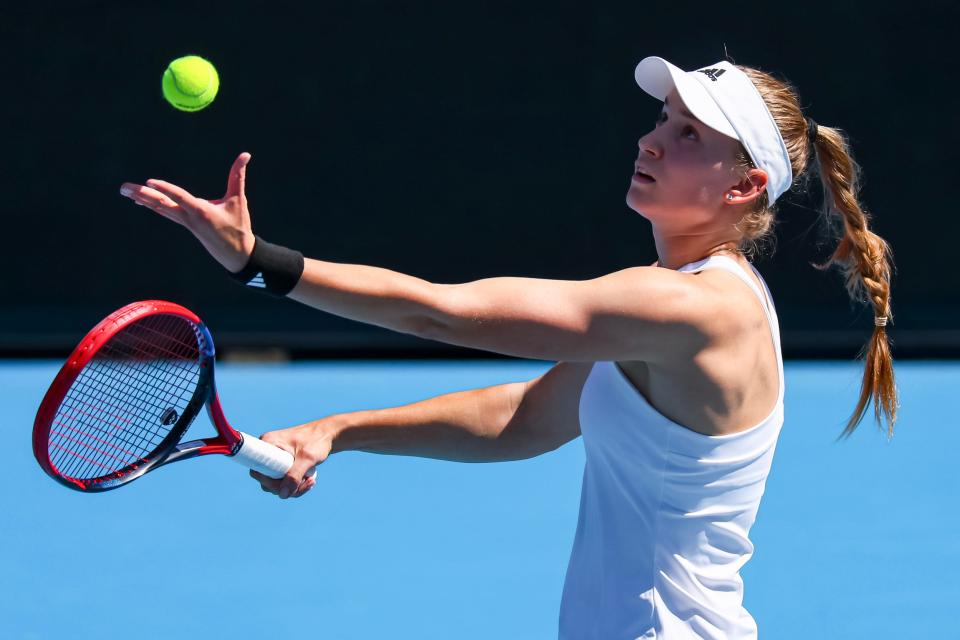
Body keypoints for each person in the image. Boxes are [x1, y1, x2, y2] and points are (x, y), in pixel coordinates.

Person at [120, 55, 898, 638]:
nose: (653, 140)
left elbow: (445, 316)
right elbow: (531, 415)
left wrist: (263, 266)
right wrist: (341, 430)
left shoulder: (696, 309)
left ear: (743, 187)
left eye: (688, 133)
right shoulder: (686, 306)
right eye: (662, 119)